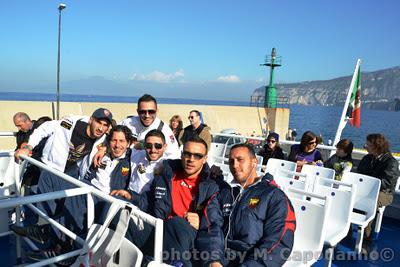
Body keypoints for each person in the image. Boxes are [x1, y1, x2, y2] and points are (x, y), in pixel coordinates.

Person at [11, 125, 133, 262]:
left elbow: (144, 146)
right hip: (88, 185)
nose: (117, 145)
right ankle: (46, 225)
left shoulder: (131, 159)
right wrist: (104, 148)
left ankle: (54, 239)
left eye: (122, 141)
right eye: (114, 140)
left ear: (128, 143)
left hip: (104, 199)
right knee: (49, 175)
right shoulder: (102, 152)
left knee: (79, 195)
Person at [110, 136, 224, 266]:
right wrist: (131, 196)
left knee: (176, 223)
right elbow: (149, 201)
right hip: (159, 229)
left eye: (197, 155)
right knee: (118, 208)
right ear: (182, 154)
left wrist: (214, 259)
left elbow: (214, 224)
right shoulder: (168, 174)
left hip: (185, 238)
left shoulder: (211, 186)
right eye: (187, 154)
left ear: (205, 159)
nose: (191, 159)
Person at [215, 143, 295, 267]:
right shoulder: (226, 193)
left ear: (254, 162)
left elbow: (278, 243)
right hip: (218, 258)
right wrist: (212, 261)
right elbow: (211, 228)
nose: (234, 165)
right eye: (231, 161)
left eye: (240, 160)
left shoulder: (274, 196)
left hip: (251, 261)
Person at [357, 134, 400, 240]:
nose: (365, 146)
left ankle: (366, 235)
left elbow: (387, 182)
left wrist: (369, 184)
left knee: (371, 201)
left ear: (377, 147)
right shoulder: (367, 158)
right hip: (366, 189)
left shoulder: (391, 162)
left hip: (385, 193)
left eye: (368, 145)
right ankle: (347, 228)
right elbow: (359, 175)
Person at [119, 94, 180, 159]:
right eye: (142, 112)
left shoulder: (164, 129)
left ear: (157, 111)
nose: (147, 115)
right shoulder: (127, 123)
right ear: (137, 112)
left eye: (151, 112)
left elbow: (174, 154)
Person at [128, 129, 167, 194]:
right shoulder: (137, 154)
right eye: (149, 146)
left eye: (158, 146)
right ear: (145, 146)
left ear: (164, 146)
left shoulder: (167, 165)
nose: (153, 150)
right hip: (127, 199)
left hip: (148, 202)